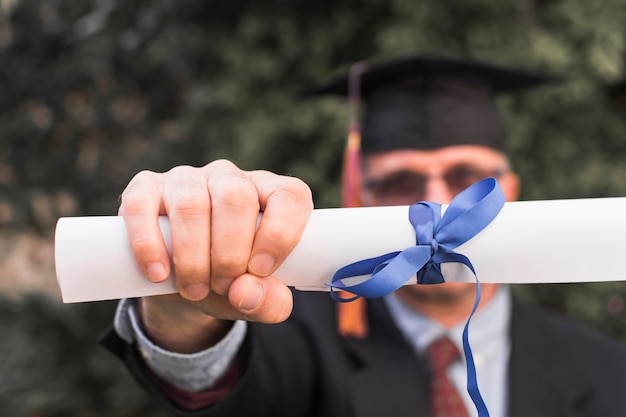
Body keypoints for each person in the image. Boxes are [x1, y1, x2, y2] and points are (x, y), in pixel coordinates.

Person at [102, 55, 626, 417]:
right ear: (360, 197)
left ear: (509, 190)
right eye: (400, 181)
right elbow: (227, 381)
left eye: (468, 177)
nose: (437, 203)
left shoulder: (606, 369)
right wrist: (185, 304)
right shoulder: (299, 341)